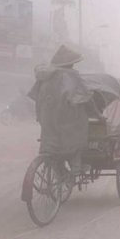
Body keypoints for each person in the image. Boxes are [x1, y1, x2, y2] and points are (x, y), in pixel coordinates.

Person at [28, 45, 99, 176]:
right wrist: (97, 114)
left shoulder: (44, 76)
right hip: (69, 119)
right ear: (71, 64)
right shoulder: (72, 76)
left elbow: (35, 96)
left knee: (51, 144)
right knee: (77, 141)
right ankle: (76, 168)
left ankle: (58, 169)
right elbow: (85, 98)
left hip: (47, 118)